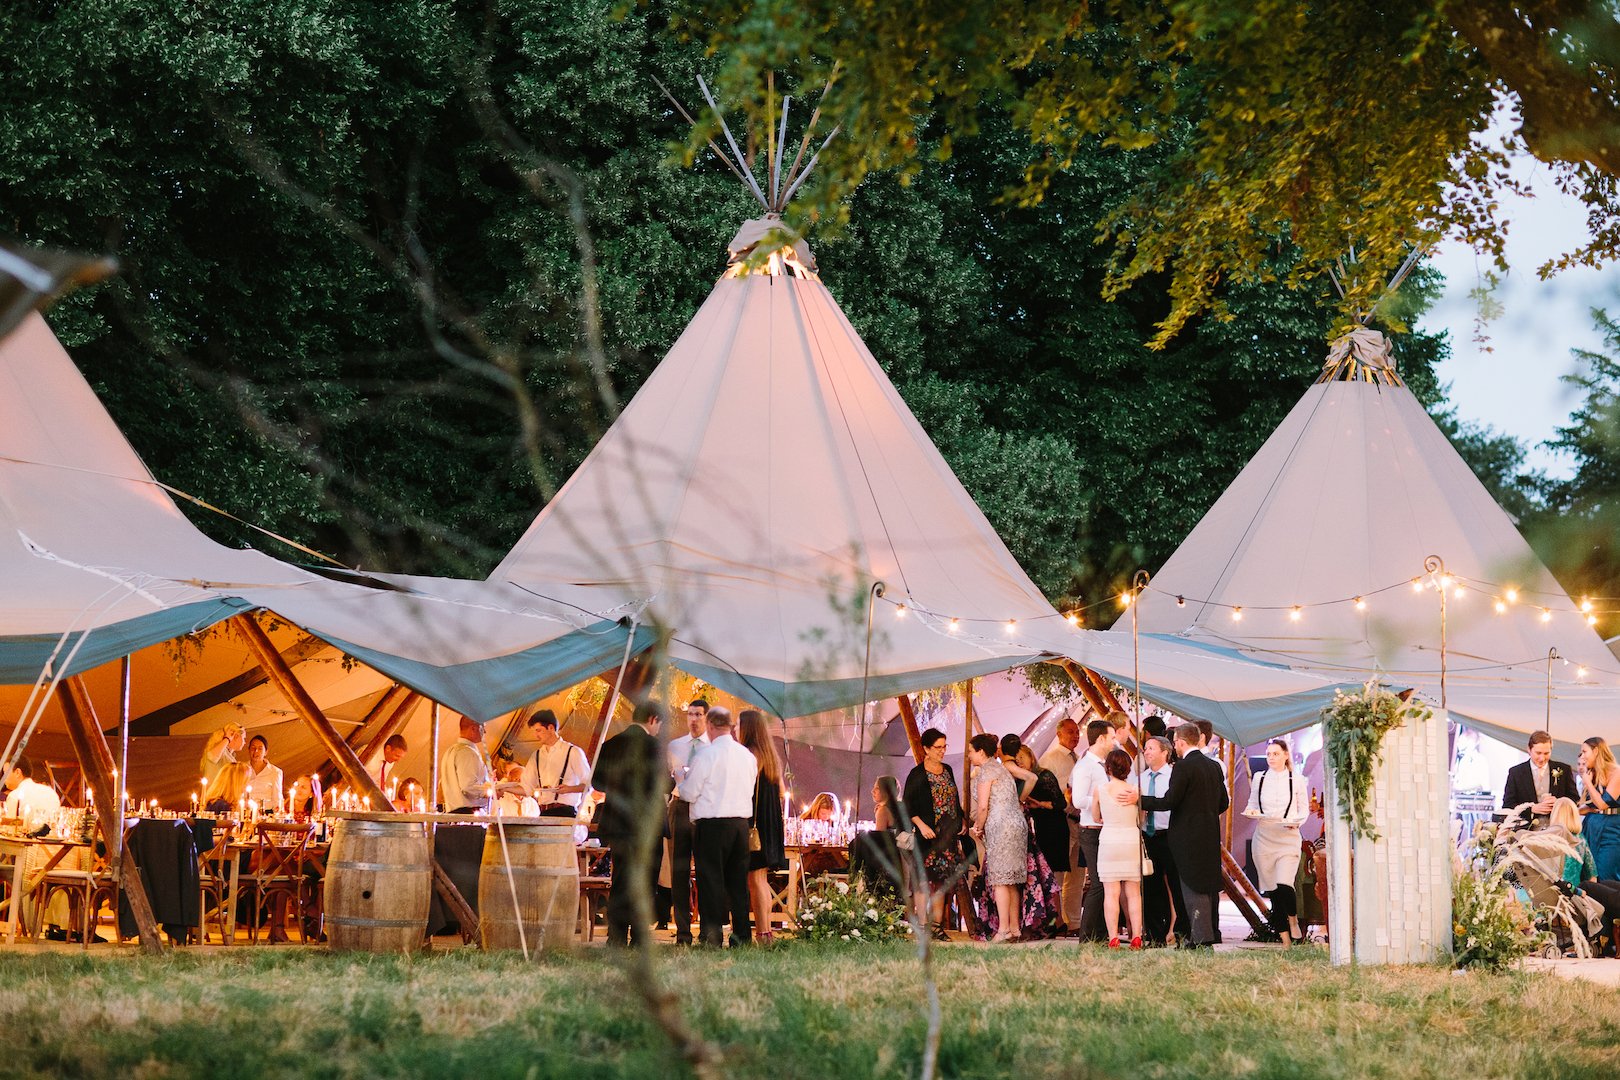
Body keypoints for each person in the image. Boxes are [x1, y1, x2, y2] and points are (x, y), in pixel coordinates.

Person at [1124, 723, 1229, 947]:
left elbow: (1170, 801)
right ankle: (1205, 935)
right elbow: (1223, 803)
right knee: (1205, 885)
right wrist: (1204, 814)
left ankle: (1198, 938)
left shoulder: (1183, 767)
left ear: (1180, 742)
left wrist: (1140, 800)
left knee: (1190, 886)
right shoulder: (1214, 766)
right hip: (1209, 833)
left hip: (1185, 835)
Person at [679, 706, 758, 947]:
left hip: (712, 825)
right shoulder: (747, 756)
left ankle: (712, 937)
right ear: (731, 726)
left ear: (710, 725)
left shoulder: (706, 756)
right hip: (740, 825)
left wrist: (680, 781)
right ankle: (742, 936)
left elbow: (689, 793)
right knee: (738, 884)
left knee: (711, 881)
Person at [593, 701, 668, 947]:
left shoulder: (610, 744)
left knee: (621, 878)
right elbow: (664, 783)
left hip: (618, 823)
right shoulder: (654, 746)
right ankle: (639, 937)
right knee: (645, 880)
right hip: (647, 823)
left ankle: (616, 936)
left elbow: (596, 782)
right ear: (653, 719)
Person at [1244, 739, 1310, 944]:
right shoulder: (1259, 778)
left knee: (1284, 884)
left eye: (1276, 754)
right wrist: (1251, 812)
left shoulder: (1296, 779)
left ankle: (1293, 919)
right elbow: (1252, 804)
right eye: (1269, 754)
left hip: (1288, 837)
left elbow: (1304, 809)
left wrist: (1297, 822)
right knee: (1273, 890)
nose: (1271, 758)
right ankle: (1285, 940)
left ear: (1286, 755)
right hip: (1264, 837)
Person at [902, 728, 964, 938]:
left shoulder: (948, 770)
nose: (942, 751)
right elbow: (908, 806)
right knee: (923, 881)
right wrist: (921, 825)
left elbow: (954, 799)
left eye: (944, 746)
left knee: (941, 882)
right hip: (926, 836)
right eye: (938, 747)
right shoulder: (917, 774)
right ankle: (922, 924)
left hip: (947, 836)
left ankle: (937, 926)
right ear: (926, 749)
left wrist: (961, 819)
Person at [968, 733, 1027, 942]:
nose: (969, 755)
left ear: (981, 752)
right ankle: (1014, 928)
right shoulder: (1002, 768)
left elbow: (983, 806)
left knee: (1000, 879)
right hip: (1017, 824)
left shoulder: (987, 771)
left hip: (1001, 825)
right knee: (1011, 880)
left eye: (971, 751)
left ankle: (1003, 929)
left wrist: (978, 826)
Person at [738, 709, 787, 944]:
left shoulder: (751, 754)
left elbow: (743, 786)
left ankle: (762, 932)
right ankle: (766, 931)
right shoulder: (770, 756)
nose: (735, 730)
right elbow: (782, 792)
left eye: (738, 725)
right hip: (770, 822)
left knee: (755, 879)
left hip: (754, 825)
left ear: (747, 728)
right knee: (761, 879)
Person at [665, 698, 711, 944]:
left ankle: (707, 931)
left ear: (707, 718)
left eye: (698, 714)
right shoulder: (675, 746)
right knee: (679, 871)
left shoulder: (714, 747)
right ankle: (683, 932)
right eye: (690, 714)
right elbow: (668, 778)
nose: (693, 719)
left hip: (704, 808)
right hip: (680, 806)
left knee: (706, 870)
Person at [1069, 718, 1118, 942]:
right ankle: (1087, 936)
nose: (1114, 742)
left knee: (1105, 883)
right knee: (1098, 883)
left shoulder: (1102, 764)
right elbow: (1078, 800)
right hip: (1091, 830)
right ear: (1101, 739)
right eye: (1112, 737)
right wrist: (1104, 799)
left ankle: (1100, 934)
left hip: (1104, 829)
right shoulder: (1084, 766)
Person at [1092, 747, 1144, 949]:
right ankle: (1137, 936)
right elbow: (1141, 819)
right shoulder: (1135, 791)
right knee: (1134, 893)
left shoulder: (1100, 790)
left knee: (1111, 893)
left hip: (1110, 841)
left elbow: (1095, 817)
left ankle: (1113, 938)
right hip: (1131, 840)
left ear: (1108, 768)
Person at [1037, 717, 1082, 932]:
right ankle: (1057, 921)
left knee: (1078, 875)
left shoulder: (1079, 758)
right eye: (1070, 732)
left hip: (1080, 822)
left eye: (1077, 732)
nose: (1075, 736)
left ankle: (1074, 921)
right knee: (1059, 873)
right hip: (1061, 822)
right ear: (1059, 734)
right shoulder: (1050, 759)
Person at [1138, 736, 1182, 945]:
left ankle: (1180, 932)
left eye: (1151, 748)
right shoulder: (1140, 778)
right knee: (1150, 887)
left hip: (1169, 835)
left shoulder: (1174, 776)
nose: (1146, 752)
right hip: (1147, 837)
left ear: (1165, 752)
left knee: (1175, 884)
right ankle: (1155, 935)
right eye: (1145, 748)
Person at [521, 710, 592, 819]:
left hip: (566, 813)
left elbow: (589, 785)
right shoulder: (536, 755)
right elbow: (526, 788)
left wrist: (569, 789)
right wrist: (502, 789)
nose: (536, 735)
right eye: (535, 731)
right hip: (543, 813)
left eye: (539, 730)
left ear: (551, 728)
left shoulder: (573, 751)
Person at [1501, 729, 1578, 827]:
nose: (1542, 758)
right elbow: (1508, 805)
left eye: (1546, 753)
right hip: (1525, 828)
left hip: (1558, 827)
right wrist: (1531, 809)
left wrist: (1559, 802)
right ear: (1529, 750)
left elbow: (1575, 800)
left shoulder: (1564, 770)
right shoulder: (1516, 772)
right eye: (1538, 753)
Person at [440, 716, 509, 814]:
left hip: (455, 811)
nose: (485, 732)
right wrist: (490, 791)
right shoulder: (467, 752)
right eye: (483, 728)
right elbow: (468, 787)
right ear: (473, 728)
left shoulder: (451, 751)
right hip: (468, 813)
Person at [849, 775, 904, 898]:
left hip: (887, 860)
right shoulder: (900, 807)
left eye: (877, 788)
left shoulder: (883, 811)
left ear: (885, 791)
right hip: (902, 856)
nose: (872, 791)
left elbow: (880, 838)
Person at [1579, 737, 1620, 880]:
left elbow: (1603, 804)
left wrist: (1588, 784)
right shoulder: (1593, 773)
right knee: (1588, 873)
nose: (1582, 756)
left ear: (1596, 751)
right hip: (1592, 825)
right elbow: (1591, 805)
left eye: (1584, 752)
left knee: (1606, 872)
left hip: (1612, 827)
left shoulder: (1617, 772)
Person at [3, 756, 60, 834]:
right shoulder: (50, 792)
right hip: (53, 839)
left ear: (17, 773)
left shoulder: (15, 796)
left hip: (25, 839)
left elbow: (10, 830)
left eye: (5, 773)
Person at [243, 734, 284, 813]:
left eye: (260, 749)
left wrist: (277, 813)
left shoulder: (275, 772)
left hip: (266, 812)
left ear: (266, 752)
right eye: (253, 748)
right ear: (249, 750)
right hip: (245, 811)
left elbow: (277, 797)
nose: (256, 751)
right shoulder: (242, 769)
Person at [200, 723, 245, 790]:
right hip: (216, 794)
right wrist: (227, 739)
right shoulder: (221, 751)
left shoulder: (229, 755)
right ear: (236, 736)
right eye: (243, 738)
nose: (244, 742)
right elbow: (212, 757)